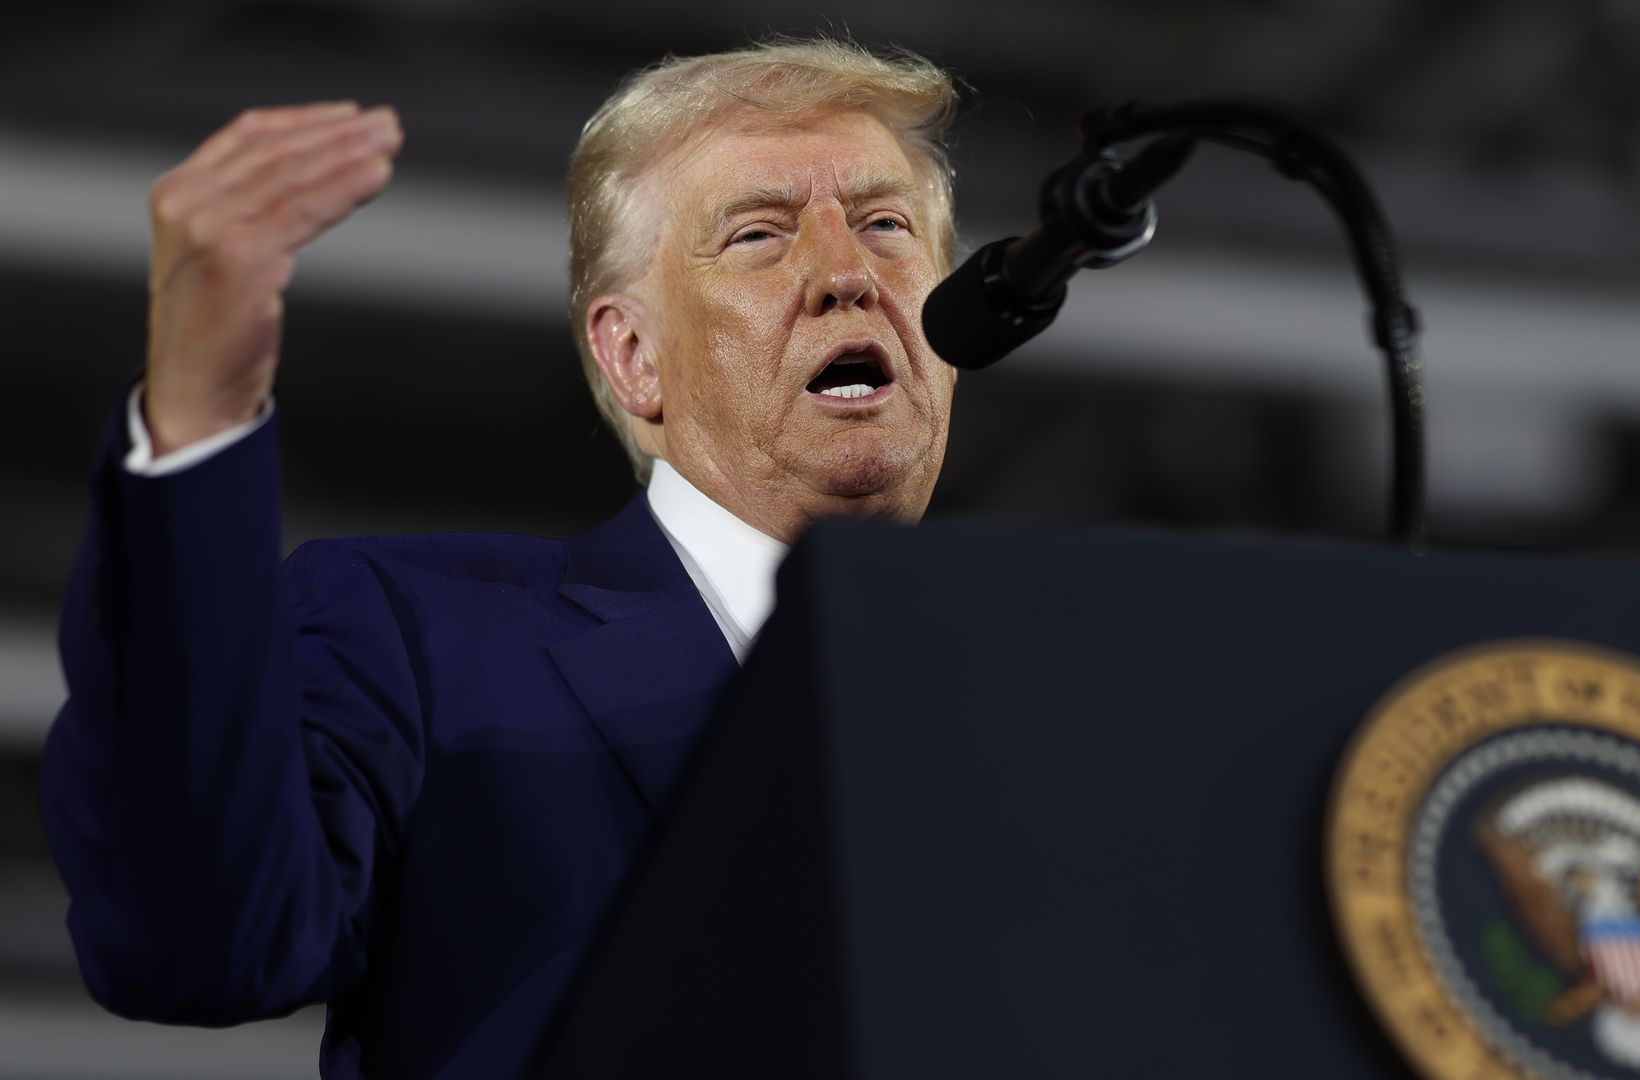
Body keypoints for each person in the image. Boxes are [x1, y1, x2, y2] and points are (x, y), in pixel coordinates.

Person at [41, 38, 961, 1079]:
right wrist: (199, 414)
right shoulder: (419, 636)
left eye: (885, 226)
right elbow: (200, 943)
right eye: (758, 235)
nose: (847, 274)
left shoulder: (1072, 699)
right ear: (632, 357)